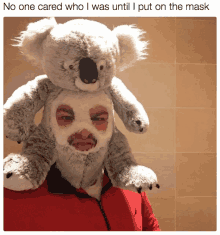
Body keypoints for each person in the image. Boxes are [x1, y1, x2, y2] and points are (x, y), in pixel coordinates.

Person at [4, 100, 160, 231]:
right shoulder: (11, 197)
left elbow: (151, 227)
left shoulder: (130, 183)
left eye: (98, 118)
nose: (84, 132)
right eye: (66, 117)